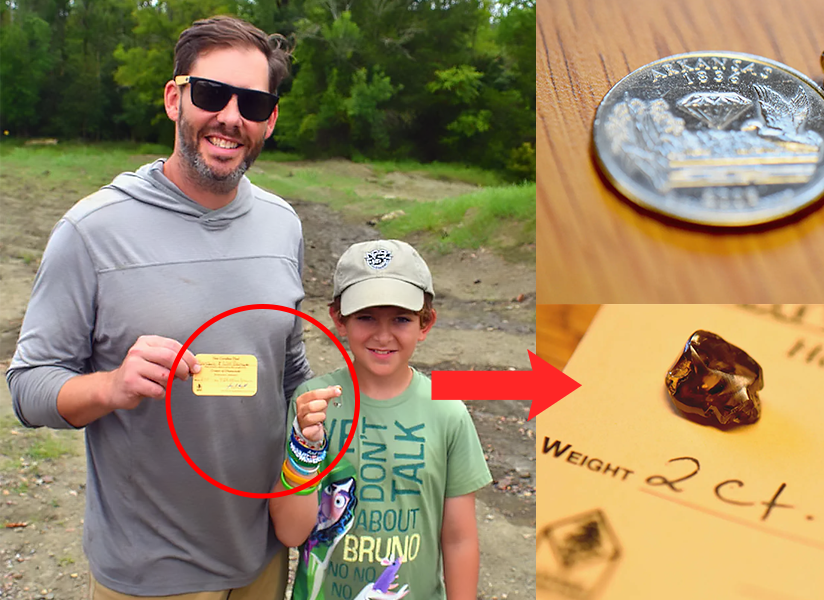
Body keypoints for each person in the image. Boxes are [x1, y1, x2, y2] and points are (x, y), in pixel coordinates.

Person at [5, 15, 312, 600]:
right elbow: (28, 387)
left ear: (270, 119)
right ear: (175, 98)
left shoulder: (282, 223)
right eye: (211, 94)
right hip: (150, 575)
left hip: (263, 557)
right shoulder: (92, 230)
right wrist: (111, 386)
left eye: (251, 103)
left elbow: (287, 369)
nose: (229, 117)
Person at [269, 239, 493, 600]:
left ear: (426, 323)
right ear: (338, 320)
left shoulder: (448, 412)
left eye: (401, 319)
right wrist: (304, 448)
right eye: (366, 317)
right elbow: (291, 533)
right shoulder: (313, 405)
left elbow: (459, 538)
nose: (383, 335)